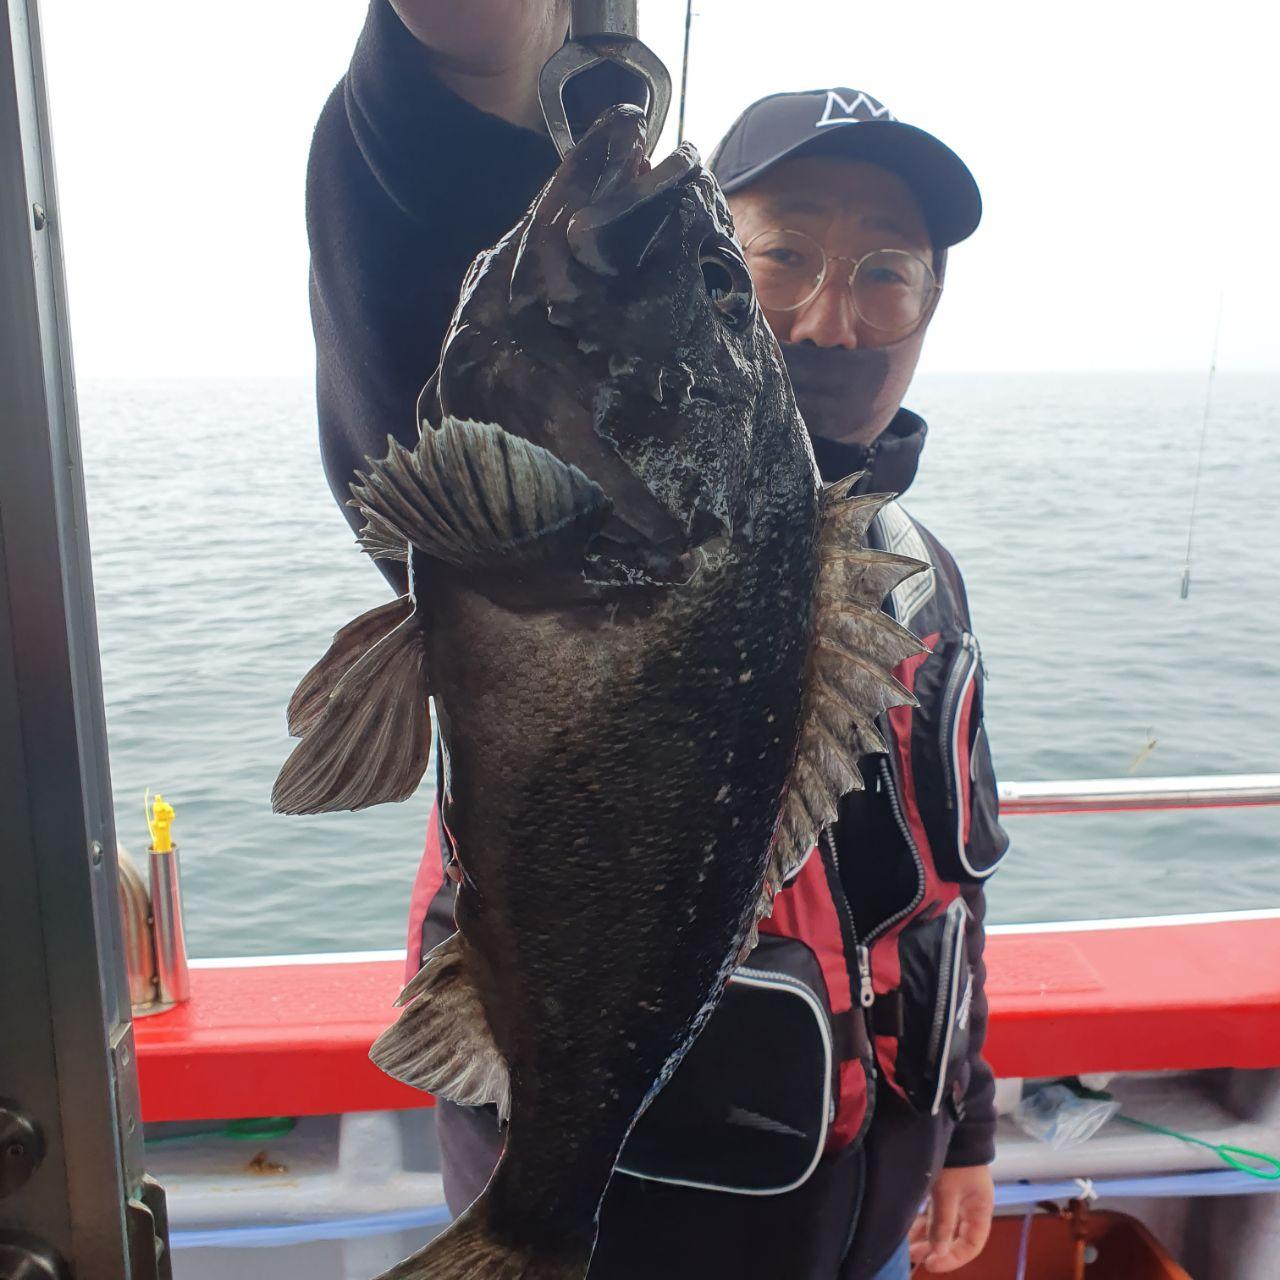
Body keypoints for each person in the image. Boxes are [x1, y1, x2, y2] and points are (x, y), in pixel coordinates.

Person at [306, 4, 1010, 1277]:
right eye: (778, 256)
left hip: (860, 1222)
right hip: (629, 1219)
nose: (830, 317)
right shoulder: (528, 483)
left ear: (929, 306)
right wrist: (465, 60)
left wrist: (961, 1122)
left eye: (886, 270)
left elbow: (945, 901)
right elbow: (413, 255)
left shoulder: (917, 578)